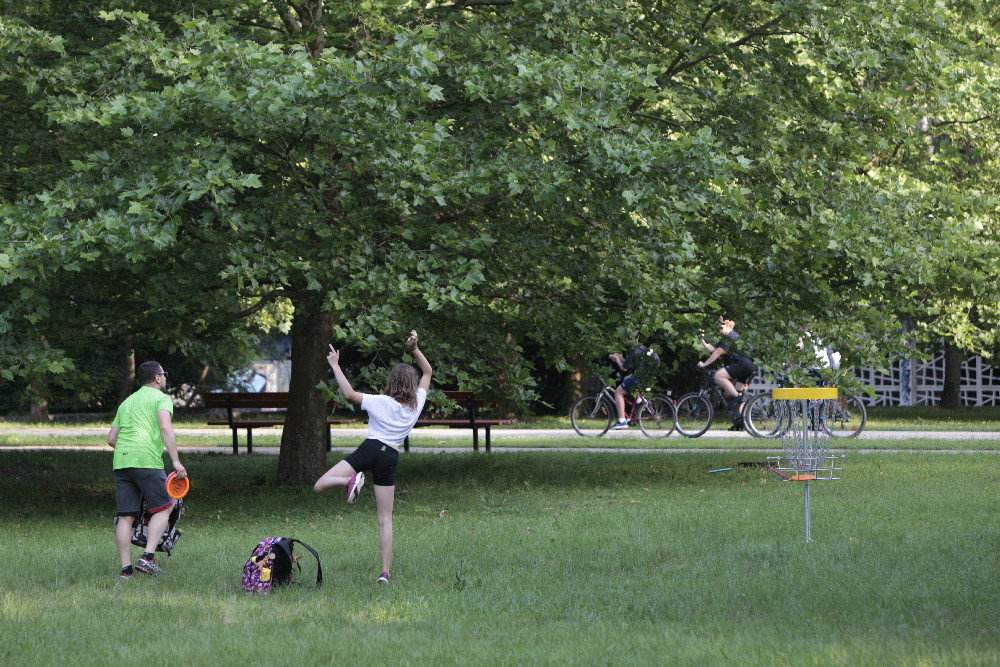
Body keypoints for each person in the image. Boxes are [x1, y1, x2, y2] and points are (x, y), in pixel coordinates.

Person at [314, 330, 432, 584]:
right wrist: (414, 349)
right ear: (412, 385)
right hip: (390, 457)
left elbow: (349, 394)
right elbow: (428, 372)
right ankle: (384, 573)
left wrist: (335, 365)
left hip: (370, 449)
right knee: (385, 519)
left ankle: (349, 481)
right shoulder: (417, 404)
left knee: (320, 485)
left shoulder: (379, 401)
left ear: (392, 382)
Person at [108, 361, 187, 579]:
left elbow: (111, 439)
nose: (165, 377)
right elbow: (165, 427)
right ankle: (148, 558)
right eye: (164, 373)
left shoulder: (127, 402)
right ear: (157, 378)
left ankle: (126, 570)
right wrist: (176, 461)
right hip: (147, 461)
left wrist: (128, 449)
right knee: (165, 506)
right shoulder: (161, 399)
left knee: (126, 516)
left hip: (122, 462)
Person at [698, 318, 756, 430]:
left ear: (728, 326)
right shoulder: (728, 338)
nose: (719, 329)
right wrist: (702, 338)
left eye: (721, 326)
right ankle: (740, 424)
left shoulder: (731, 336)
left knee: (718, 375)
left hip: (744, 364)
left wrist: (704, 364)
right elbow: (712, 349)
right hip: (750, 366)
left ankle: (737, 397)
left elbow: (717, 352)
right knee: (739, 394)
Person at [608, 342, 659, 430]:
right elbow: (630, 364)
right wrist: (621, 358)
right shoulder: (643, 347)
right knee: (626, 379)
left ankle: (622, 421)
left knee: (618, 393)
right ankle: (639, 401)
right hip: (649, 377)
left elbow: (624, 368)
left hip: (639, 377)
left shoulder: (633, 350)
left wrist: (616, 359)